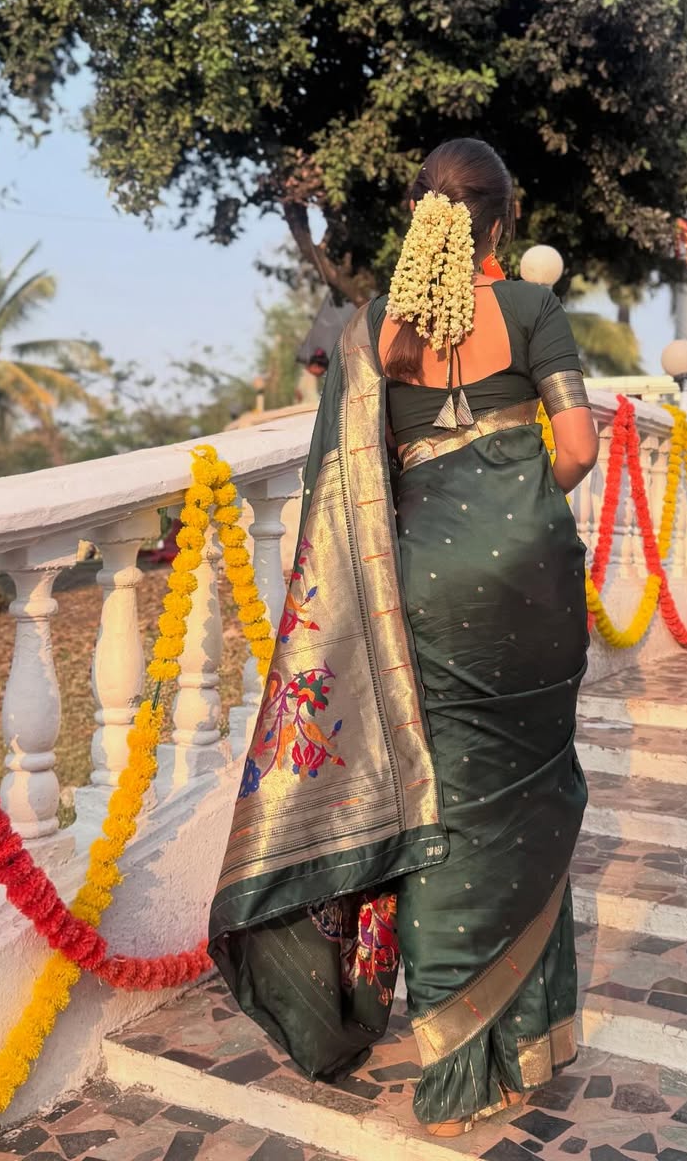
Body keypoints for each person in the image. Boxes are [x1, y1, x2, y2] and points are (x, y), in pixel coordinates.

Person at [209, 138, 599, 1138]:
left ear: (422, 217)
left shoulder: (374, 334)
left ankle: (454, 1070)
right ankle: (526, 1043)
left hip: (422, 591)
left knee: (438, 807)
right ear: (502, 224)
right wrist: (512, 507)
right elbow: (576, 448)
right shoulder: (534, 310)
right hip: (534, 589)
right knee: (533, 785)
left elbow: (353, 484)